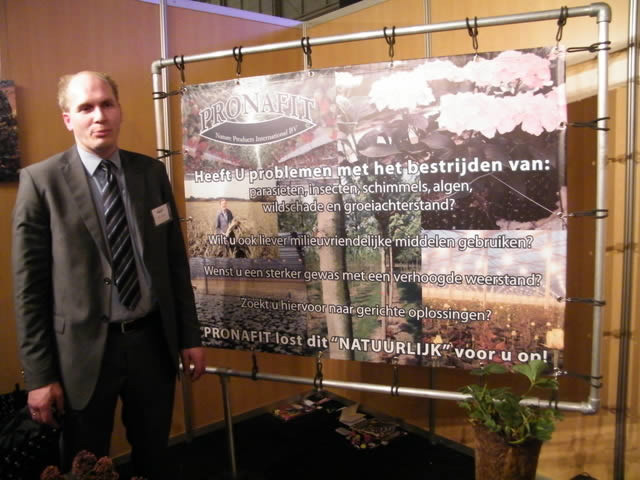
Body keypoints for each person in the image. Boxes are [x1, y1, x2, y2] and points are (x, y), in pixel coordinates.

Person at [12, 71, 206, 479]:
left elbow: (174, 261)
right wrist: (40, 377)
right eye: (86, 108)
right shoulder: (41, 182)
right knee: (85, 462)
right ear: (68, 118)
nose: (99, 116)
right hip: (81, 355)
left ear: (119, 110)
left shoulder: (150, 173)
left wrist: (190, 336)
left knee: (155, 455)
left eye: (106, 104)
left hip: (152, 342)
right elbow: (29, 290)